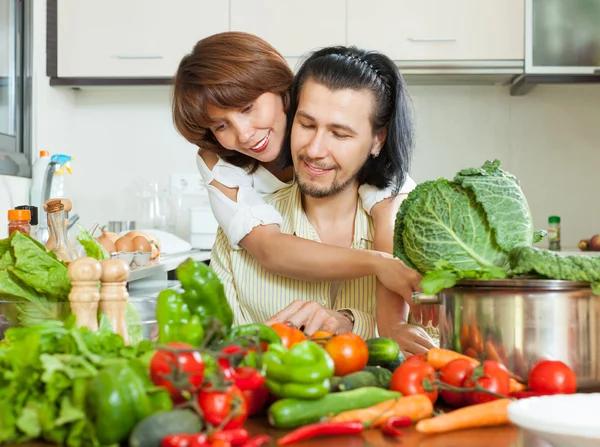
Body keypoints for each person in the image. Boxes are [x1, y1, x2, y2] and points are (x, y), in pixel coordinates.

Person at [172, 32, 437, 331]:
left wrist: (377, 323)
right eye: (307, 125)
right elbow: (268, 252)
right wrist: (379, 263)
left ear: (285, 96)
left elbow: (437, 341)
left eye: (339, 133)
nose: (244, 134)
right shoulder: (230, 194)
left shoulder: (406, 217)